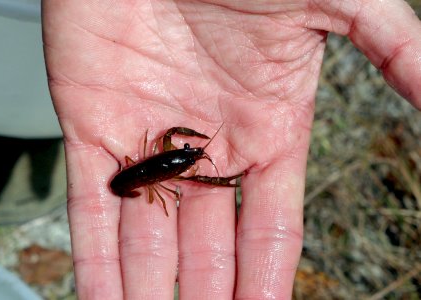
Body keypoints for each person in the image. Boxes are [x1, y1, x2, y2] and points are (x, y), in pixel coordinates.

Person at [42, 1, 421, 298]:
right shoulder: (164, 166)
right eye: (188, 149)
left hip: (135, 174)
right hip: (127, 178)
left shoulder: (165, 157)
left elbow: (170, 146)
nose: (189, 151)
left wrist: (187, 157)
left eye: (187, 150)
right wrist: (189, 168)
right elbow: (171, 151)